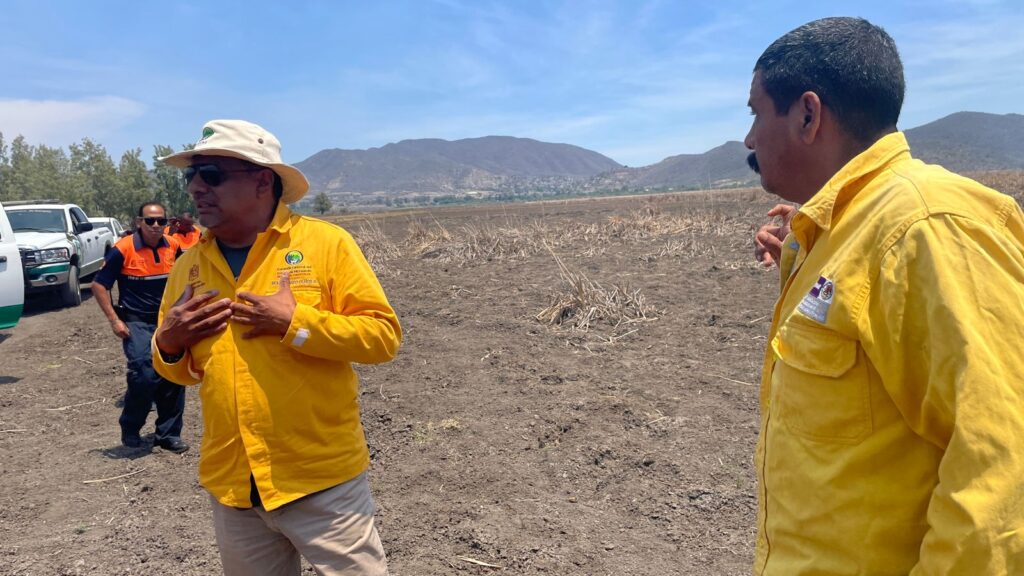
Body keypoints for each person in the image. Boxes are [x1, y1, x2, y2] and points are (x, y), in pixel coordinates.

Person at [744, 17, 1024, 574]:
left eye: (756, 113)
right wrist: (802, 252)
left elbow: (1004, 472)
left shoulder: (925, 227)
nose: (750, 139)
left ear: (807, 115)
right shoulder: (847, 227)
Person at [151, 119, 401, 575]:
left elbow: (382, 337)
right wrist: (168, 344)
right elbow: (181, 371)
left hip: (321, 483)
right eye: (191, 175)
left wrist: (295, 324)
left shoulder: (325, 244)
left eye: (211, 174)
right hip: (234, 488)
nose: (195, 188)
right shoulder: (189, 266)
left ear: (263, 181)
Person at [92, 201, 188, 453]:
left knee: (173, 373)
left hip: (168, 321)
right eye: (150, 220)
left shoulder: (174, 246)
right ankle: (131, 427)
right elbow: (99, 285)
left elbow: (188, 276)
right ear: (138, 222)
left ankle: (168, 435)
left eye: (161, 221)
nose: (156, 225)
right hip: (136, 321)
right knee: (144, 372)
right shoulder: (123, 249)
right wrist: (114, 320)